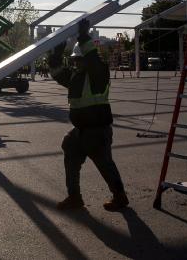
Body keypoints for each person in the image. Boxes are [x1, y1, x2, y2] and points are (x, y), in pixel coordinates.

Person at [49, 18, 128, 212]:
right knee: (70, 148)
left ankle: (120, 196)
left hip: (97, 130)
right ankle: (74, 197)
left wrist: (84, 36)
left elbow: (94, 59)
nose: (76, 63)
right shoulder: (77, 77)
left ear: (85, 58)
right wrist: (56, 53)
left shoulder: (98, 73)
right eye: (75, 60)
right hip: (82, 129)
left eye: (78, 59)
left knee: (104, 164)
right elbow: (57, 72)